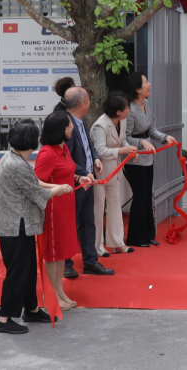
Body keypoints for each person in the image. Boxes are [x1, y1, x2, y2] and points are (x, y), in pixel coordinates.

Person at [0, 120, 72, 334]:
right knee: (17, 272)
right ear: (29, 141)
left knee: (27, 269)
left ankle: (32, 309)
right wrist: (61, 188)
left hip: (18, 225)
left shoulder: (12, 157)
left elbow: (34, 182)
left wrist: (58, 185)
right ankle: (3, 318)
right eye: (36, 136)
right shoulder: (17, 165)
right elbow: (39, 193)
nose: (38, 139)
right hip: (14, 226)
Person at [35, 111, 92, 310]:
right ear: (61, 129)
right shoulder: (47, 153)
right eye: (69, 125)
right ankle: (50, 295)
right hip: (53, 209)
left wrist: (78, 179)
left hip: (66, 206)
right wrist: (56, 188)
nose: (72, 127)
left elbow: (68, 171)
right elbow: (35, 182)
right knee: (52, 253)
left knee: (61, 252)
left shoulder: (64, 148)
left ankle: (59, 292)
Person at [62, 87, 115, 278]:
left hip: (88, 178)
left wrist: (95, 158)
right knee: (70, 224)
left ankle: (90, 261)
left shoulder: (81, 119)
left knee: (88, 221)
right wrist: (83, 173)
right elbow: (66, 158)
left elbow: (88, 144)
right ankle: (66, 263)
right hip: (74, 182)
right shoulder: (64, 123)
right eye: (88, 100)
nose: (90, 103)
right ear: (83, 104)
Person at [123, 72, 176, 248]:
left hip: (148, 158)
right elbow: (125, 138)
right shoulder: (129, 110)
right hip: (134, 159)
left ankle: (148, 235)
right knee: (140, 197)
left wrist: (164, 137)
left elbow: (151, 129)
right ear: (138, 89)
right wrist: (141, 142)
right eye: (146, 82)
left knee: (147, 197)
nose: (150, 84)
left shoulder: (146, 103)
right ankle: (135, 238)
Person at [91, 92, 143, 256]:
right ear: (118, 111)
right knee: (98, 208)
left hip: (115, 170)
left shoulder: (122, 120)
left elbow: (123, 140)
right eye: (127, 107)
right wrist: (123, 150)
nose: (129, 109)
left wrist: (130, 150)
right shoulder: (100, 125)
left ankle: (117, 242)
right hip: (99, 172)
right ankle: (97, 246)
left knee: (115, 204)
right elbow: (100, 151)